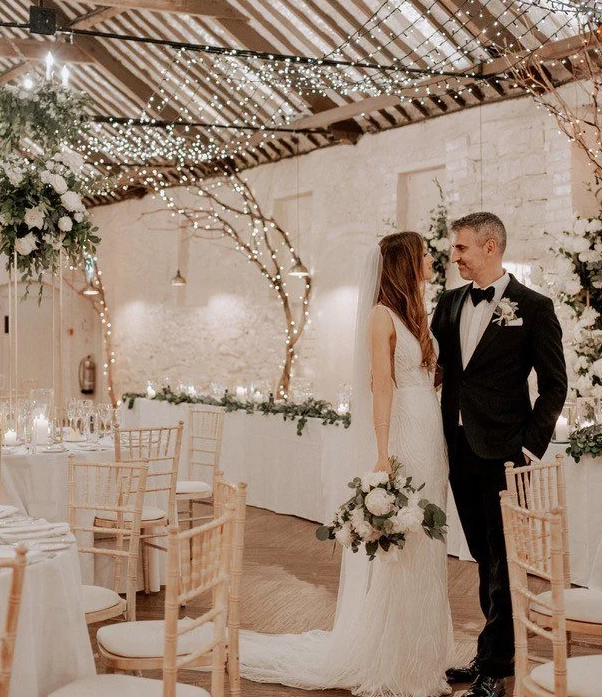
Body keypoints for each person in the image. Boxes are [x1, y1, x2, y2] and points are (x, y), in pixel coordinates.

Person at [239, 231, 453, 697]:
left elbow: (423, 376)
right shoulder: (381, 316)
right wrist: (381, 452)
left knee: (428, 542)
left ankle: (423, 654)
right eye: (424, 255)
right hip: (402, 433)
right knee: (406, 543)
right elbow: (381, 385)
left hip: (429, 428)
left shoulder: (415, 312)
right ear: (404, 263)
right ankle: (396, 661)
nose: (431, 261)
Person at [431, 212, 567, 697]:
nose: (455, 257)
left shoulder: (534, 306)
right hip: (459, 449)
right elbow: (440, 372)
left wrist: (529, 446)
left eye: (462, 248)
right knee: (481, 554)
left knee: (505, 558)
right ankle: (494, 650)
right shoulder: (448, 304)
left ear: (491, 248)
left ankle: (495, 665)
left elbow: (554, 386)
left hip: (507, 453)